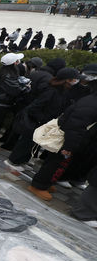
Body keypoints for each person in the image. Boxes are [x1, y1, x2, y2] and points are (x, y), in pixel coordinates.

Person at [28, 64, 97, 201]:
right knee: (54, 162)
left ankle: (46, 183)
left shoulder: (91, 99)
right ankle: (38, 185)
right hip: (69, 138)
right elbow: (76, 125)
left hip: (73, 138)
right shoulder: (91, 103)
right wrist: (69, 147)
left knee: (57, 163)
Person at [5, 67, 80, 170]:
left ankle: (22, 161)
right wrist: (41, 119)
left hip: (44, 122)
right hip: (36, 121)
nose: (76, 81)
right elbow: (35, 107)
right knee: (27, 142)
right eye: (74, 79)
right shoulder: (51, 91)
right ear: (67, 79)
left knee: (34, 143)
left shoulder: (63, 91)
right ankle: (13, 161)